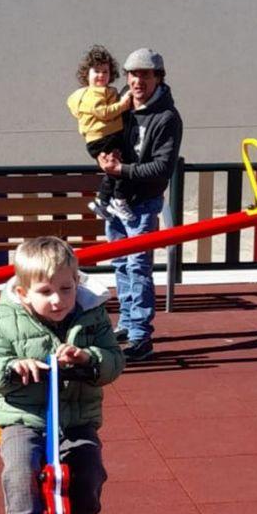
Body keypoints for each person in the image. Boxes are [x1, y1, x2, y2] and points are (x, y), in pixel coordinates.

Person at [0, 237, 124, 514]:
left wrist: (89, 358)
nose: (58, 300)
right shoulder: (2, 319)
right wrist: (13, 366)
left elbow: (116, 360)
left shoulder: (92, 316)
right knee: (20, 466)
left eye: (66, 288)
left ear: (77, 282)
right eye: (45, 291)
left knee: (89, 467)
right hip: (24, 418)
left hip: (75, 419)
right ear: (24, 292)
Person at [96, 47, 183, 362]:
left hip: (143, 203)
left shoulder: (167, 117)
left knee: (137, 267)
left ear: (158, 77)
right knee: (120, 265)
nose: (137, 81)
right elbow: (104, 137)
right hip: (117, 198)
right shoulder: (121, 107)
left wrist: (122, 170)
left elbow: (161, 168)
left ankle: (141, 337)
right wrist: (105, 159)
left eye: (145, 74)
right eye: (133, 74)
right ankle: (128, 322)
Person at [66, 45, 135, 222]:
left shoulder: (105, 91)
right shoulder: (92, 93)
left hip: (105, 137)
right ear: (86, 74)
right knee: (121, 167)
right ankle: (119, 200)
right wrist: (124, 104)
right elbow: (103, 112)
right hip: (103, 138)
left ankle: (102, 201)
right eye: (96, 71)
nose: (101, 76)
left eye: (105, 71)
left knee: (112, 169)